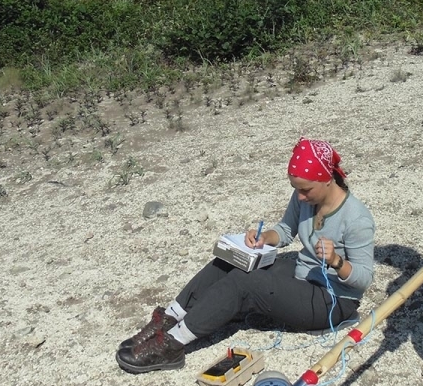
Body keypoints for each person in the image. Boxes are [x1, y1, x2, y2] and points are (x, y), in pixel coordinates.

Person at [116, 137, 375, 374]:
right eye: (295, 189)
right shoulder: (304, 198)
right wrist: (264, 239)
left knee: (245, 284)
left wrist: (336, 262)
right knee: (230, 261)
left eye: (305, 190)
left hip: (331, 300)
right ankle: (170, 318)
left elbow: (363, 279)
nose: (299, 195)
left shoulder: (356, 218)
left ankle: (173, 343)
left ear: (327, 178)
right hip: (301, 275)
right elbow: (285, 230)